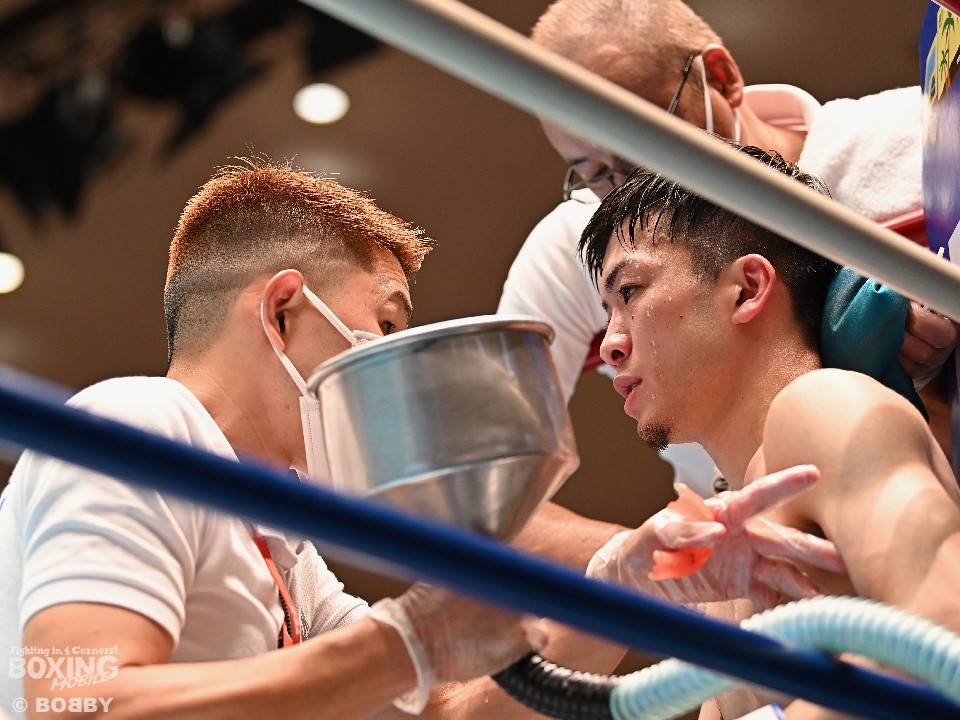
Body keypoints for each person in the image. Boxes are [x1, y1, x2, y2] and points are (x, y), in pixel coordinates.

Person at [0, 158, 846, 720]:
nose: (392, 361)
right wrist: (400, 643)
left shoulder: (287, 548)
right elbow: (71, 702)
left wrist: (621, 591)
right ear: (284, 311)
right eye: (385, 324)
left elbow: (447, 710)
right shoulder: (137, 422)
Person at [497, 0, 958, 490]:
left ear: (720, 76)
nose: (629, 186)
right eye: (593, 173)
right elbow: (491, 481)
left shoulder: (927, 135)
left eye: (641, 145)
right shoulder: (584, 244)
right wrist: (684, 539)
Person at [579, 145, 960, 719]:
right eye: (608, 311)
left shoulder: (823, 407)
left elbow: (945, 630)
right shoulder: (724, 569)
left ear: (748, 288)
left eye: (629, 292)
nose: (610, 344)